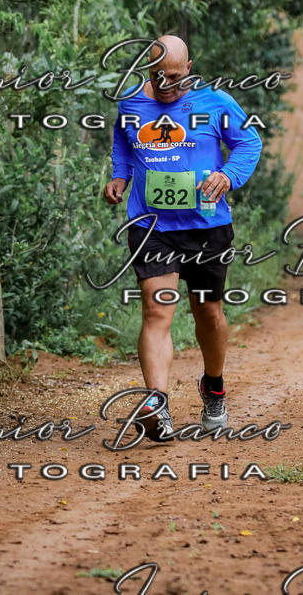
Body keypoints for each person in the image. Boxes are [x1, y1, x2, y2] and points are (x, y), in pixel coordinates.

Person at [103, 35, 262, 442]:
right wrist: (120, 176)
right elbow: (124, 145)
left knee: (207, 313)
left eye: (175, 75)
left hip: (207, 225)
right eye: (159, 76)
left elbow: (248, 141)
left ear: (189, 67)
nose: (168, 83)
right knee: (157, 313)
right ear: (147, 72)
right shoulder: (130, 105)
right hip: (151, 226)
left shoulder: (216, 103)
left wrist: (229, 175)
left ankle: (213, 385)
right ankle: (156, 403)